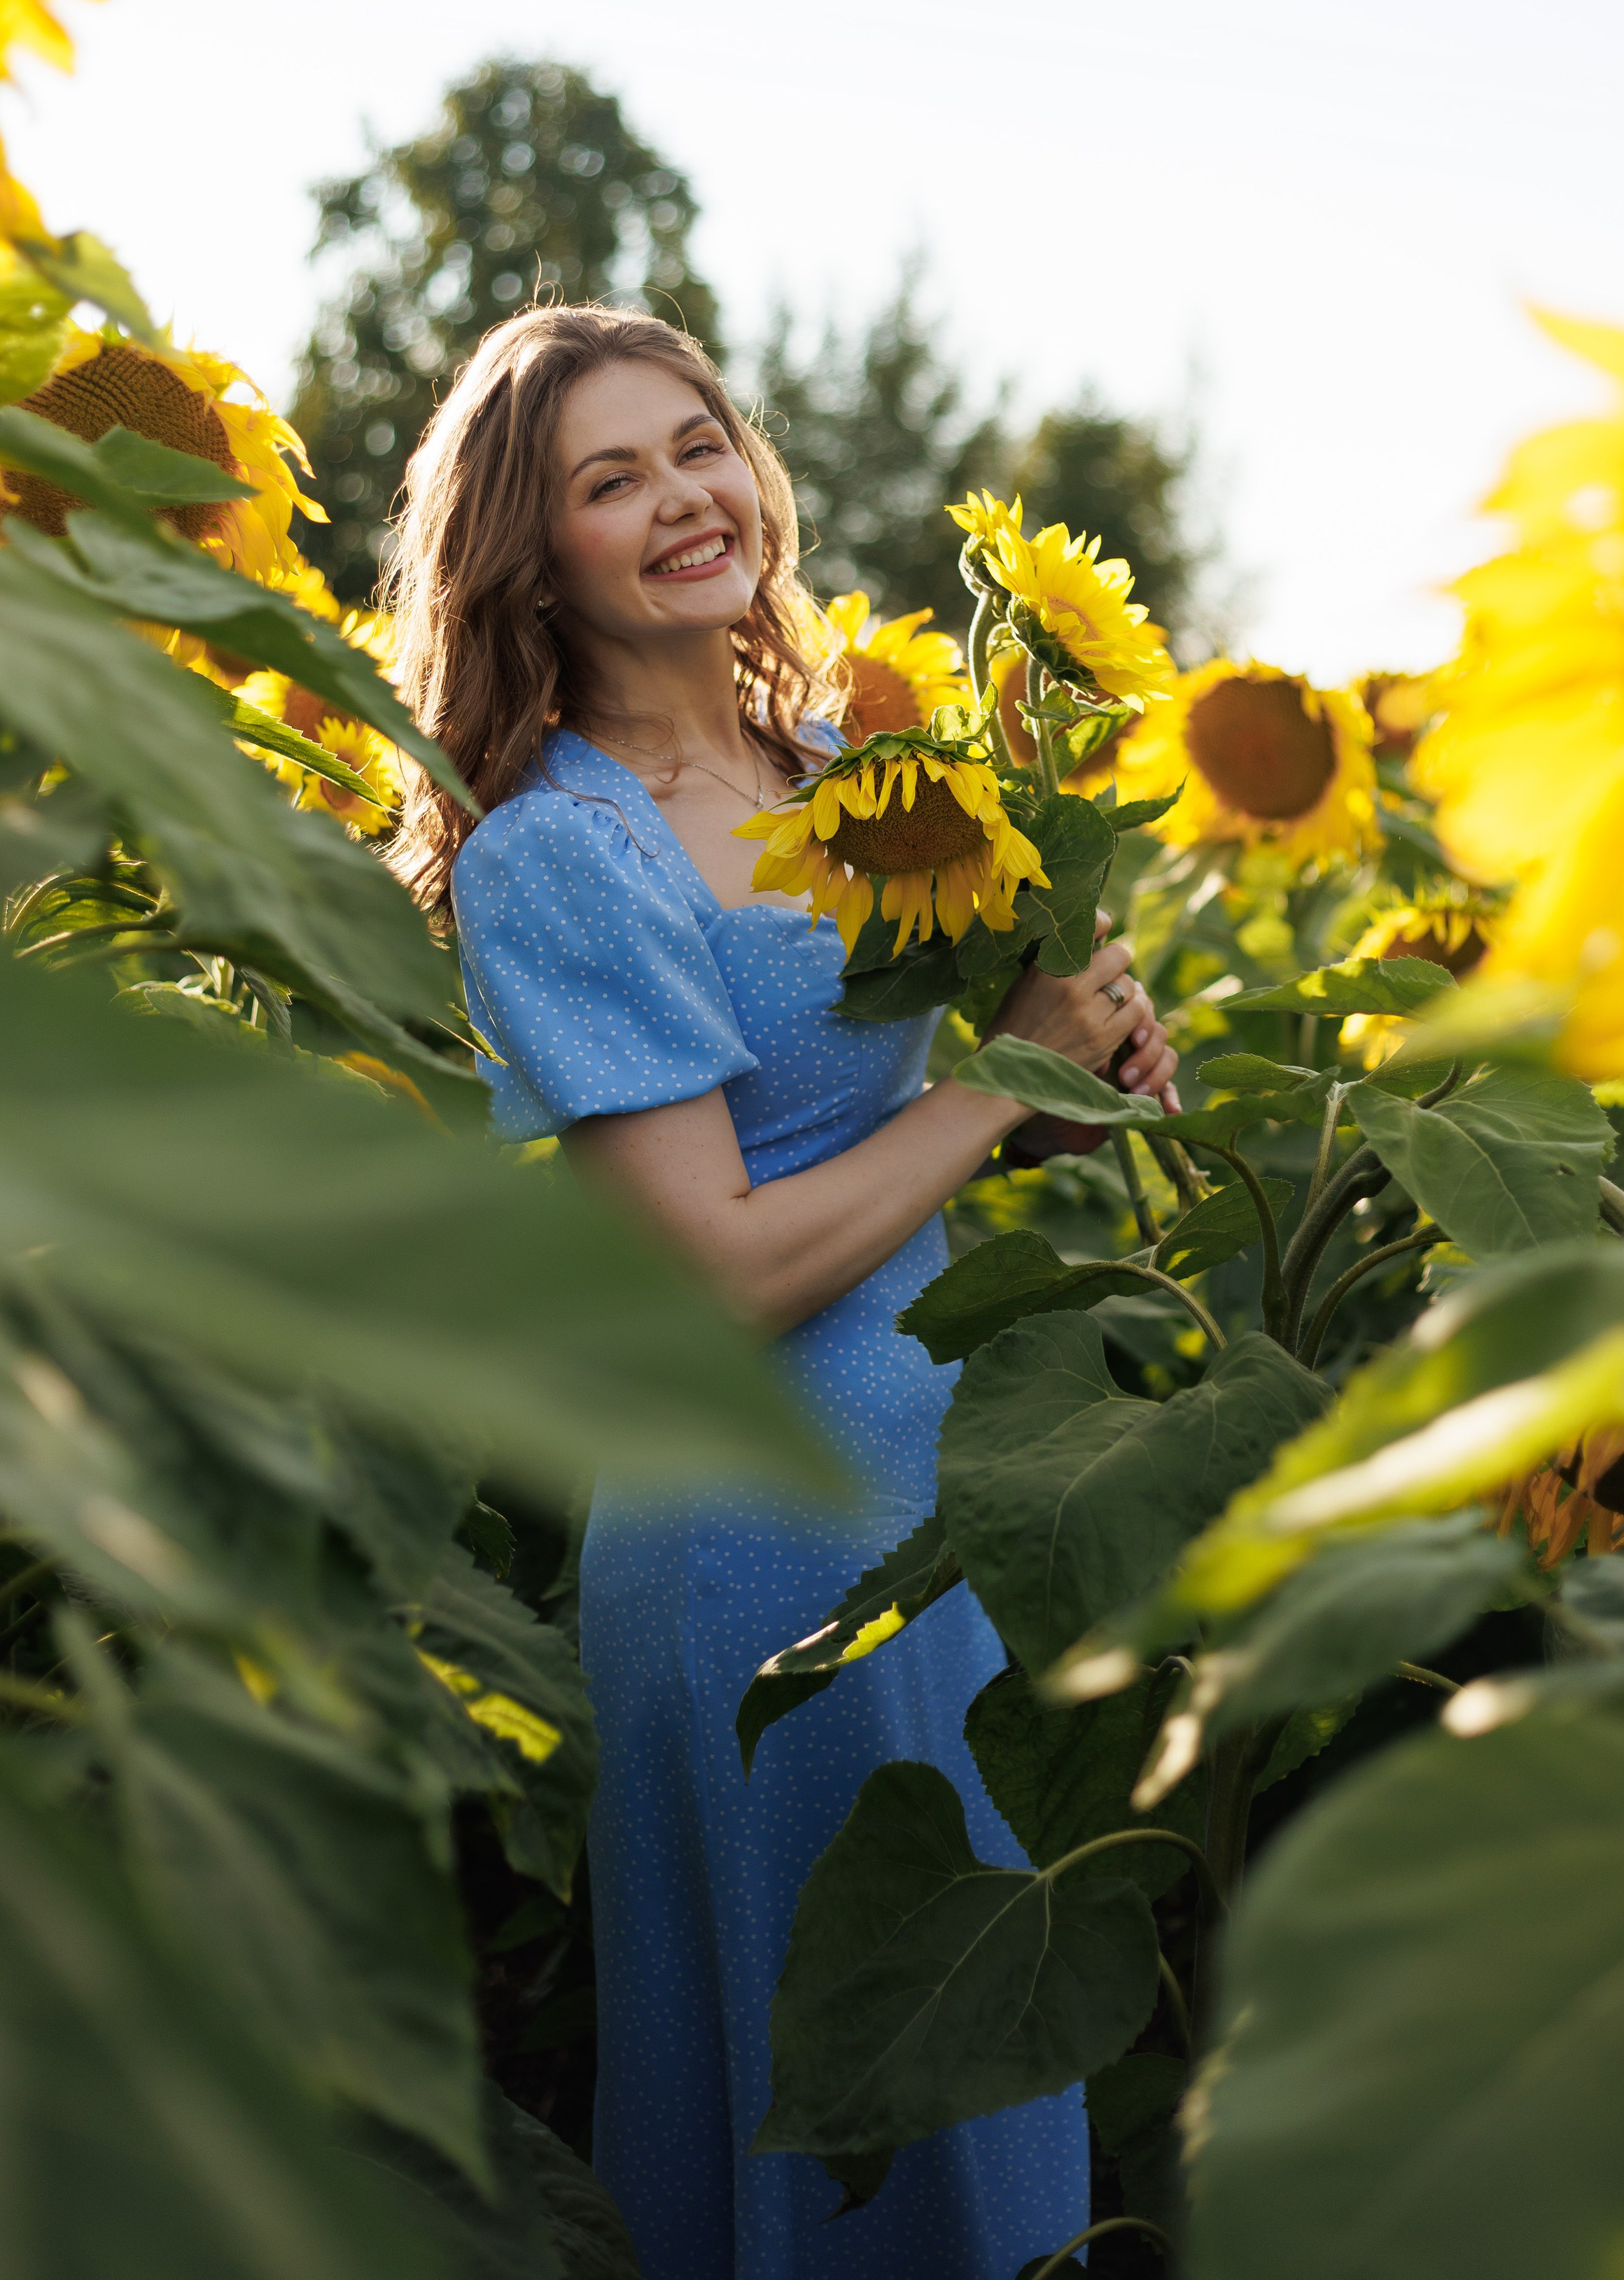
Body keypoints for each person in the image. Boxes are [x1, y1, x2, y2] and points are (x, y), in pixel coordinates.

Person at [386, 305, 1180, 2280]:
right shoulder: (556, 857)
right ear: (528, 552)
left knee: (985, 2040)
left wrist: (1082, 1066)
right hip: (757, 1549)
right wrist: (1001, 1086)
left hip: (957, 1499)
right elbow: (721, 1267)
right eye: (610, 479)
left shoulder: (862, 779)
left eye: (699, 446)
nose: (683, 500)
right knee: (823, 2110)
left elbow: (971, 1103)